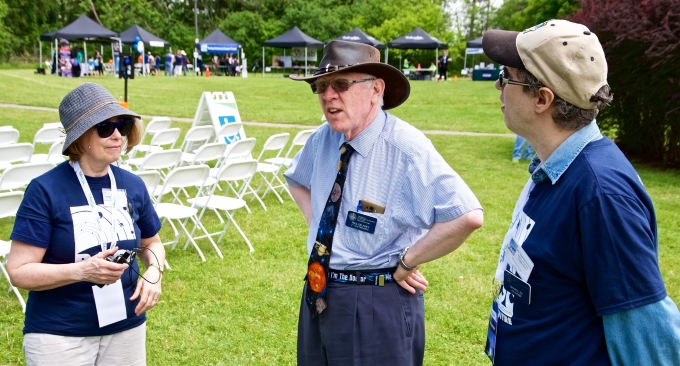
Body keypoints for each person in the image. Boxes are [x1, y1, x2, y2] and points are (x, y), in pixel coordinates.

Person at [481, 19, 680, 364]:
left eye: (506, 75)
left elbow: (649, 336)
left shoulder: (601, 194)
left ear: (542, 99)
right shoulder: (556, 168)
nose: (498, 86)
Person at [286, 40, 484, 365]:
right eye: (321, 86)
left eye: (340, 85)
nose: (328, 95)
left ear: (376, 89)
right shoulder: (323, 138)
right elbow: (297, 179)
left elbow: (466, 215)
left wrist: (408, 262)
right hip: (319, 290)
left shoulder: (407, 149)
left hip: (375, 299)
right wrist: (322, 228)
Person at [6, 82, 166, 365]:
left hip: (126, 326)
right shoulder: (45, 190)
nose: (117, 135)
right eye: (105, 127)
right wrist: (82, 271)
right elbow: (19, 271)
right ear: (81, 137)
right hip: (60, 333)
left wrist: (155, 271)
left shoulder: (133, 185)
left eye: (124, 126)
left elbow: (151, 242)